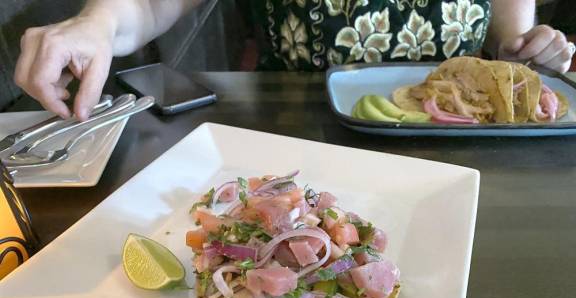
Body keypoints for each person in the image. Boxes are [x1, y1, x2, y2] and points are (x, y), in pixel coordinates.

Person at [14, 0, 575, 121]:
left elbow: (510, 46)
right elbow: (148, 6)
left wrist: (529, 52)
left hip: (462, 143)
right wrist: (98, 23)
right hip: (300, 138)